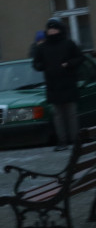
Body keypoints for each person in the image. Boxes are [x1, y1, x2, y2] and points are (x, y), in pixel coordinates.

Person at [33, 17, 84, 150]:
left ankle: (74, 141)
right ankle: (62, 141)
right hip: (53, 85)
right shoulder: (43, 47)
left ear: (60, 29)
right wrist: (44, 66)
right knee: (58, 116)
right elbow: (36, 63)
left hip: (68, 84)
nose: (52, 31)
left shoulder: (68, 44)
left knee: (71, 114)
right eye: (50, 29)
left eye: (54, 28)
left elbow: (80, 58)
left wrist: (68, 64)